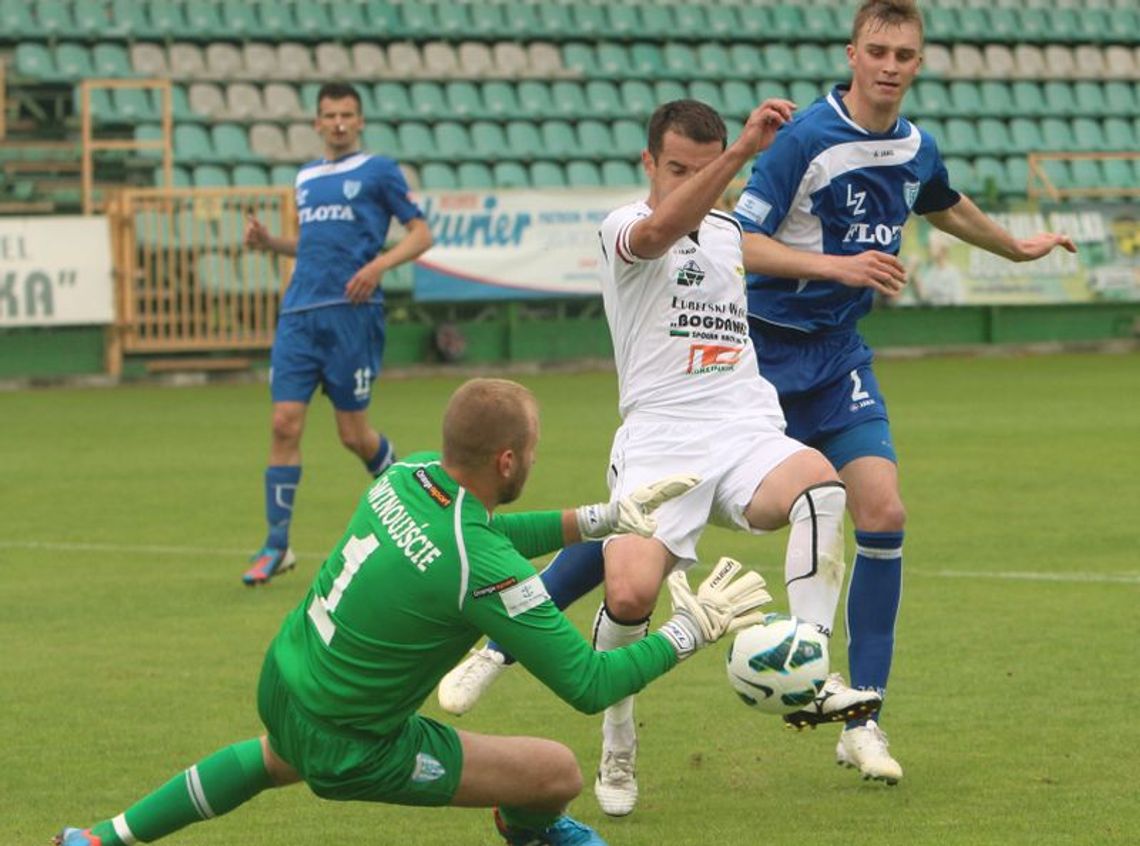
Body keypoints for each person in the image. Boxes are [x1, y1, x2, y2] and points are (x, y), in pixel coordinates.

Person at [53, 378, 771, 846]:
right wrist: (691, 629)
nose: (534, 458)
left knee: (273, 757)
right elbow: (588, 684)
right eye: (532, 450)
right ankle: (529, 828)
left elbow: (479, 531)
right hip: (352, 743)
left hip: (287, 679)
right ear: (508, 462)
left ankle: (101, 839)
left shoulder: (410, 473)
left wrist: (600, 519)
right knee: (554, 774)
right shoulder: (479, 567)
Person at [439, 100, 882, 818]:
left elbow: (754, 247)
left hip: (743, 425)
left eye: (705, 171)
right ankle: (618, 738)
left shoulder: (729, 231)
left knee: (822, 490)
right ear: (649, 163)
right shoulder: (624, 225)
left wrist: (836, 263)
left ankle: (809, 661)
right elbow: (658, 231)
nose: (693, 183)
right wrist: (736, 157)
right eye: (679, 170)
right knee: (629, 597)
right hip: (660, 439)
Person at [733, 0, 1077, 784]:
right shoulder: (804, 139)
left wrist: (1015, 249)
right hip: (757, 360)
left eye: (905, 55)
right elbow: (740, 241)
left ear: (919, 62)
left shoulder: (916, 146)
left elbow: (941, 200)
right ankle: (520, 634)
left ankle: (864, 721)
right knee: (664, 515)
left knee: (883, 513)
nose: (891, 66)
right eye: (879, 51)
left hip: (838, 360)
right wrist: (840, 266)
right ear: (852, 54)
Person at [240, 80, 433, 585]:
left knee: (353, 435)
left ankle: (413, 509)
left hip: (352, 313)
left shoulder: (379, 170)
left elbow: (421, 233)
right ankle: (276, 545)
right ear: (317, 122)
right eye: (330, 115)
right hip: (300, 313)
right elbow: (311, 244)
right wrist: (270, 243)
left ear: (360, 120)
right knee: (284, 423)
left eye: (347, 114)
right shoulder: (305, 177)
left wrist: (379, 266)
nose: (339, 123)